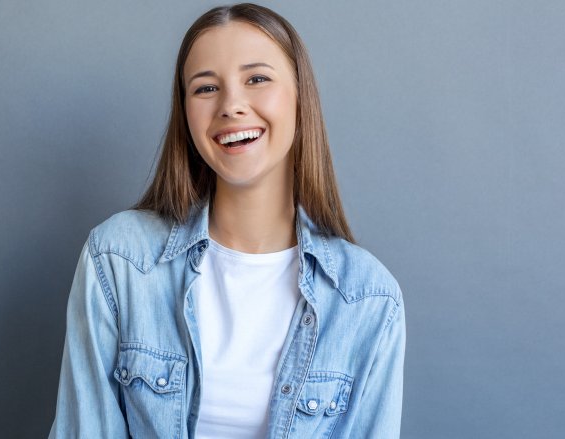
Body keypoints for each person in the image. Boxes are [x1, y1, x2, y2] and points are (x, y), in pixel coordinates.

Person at [48, 3, 405, 438]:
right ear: (186, 114)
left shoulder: (368, 298)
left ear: (300, 96)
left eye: (256, 79)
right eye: (205, 88)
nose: (232, 105)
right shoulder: (118, 261)